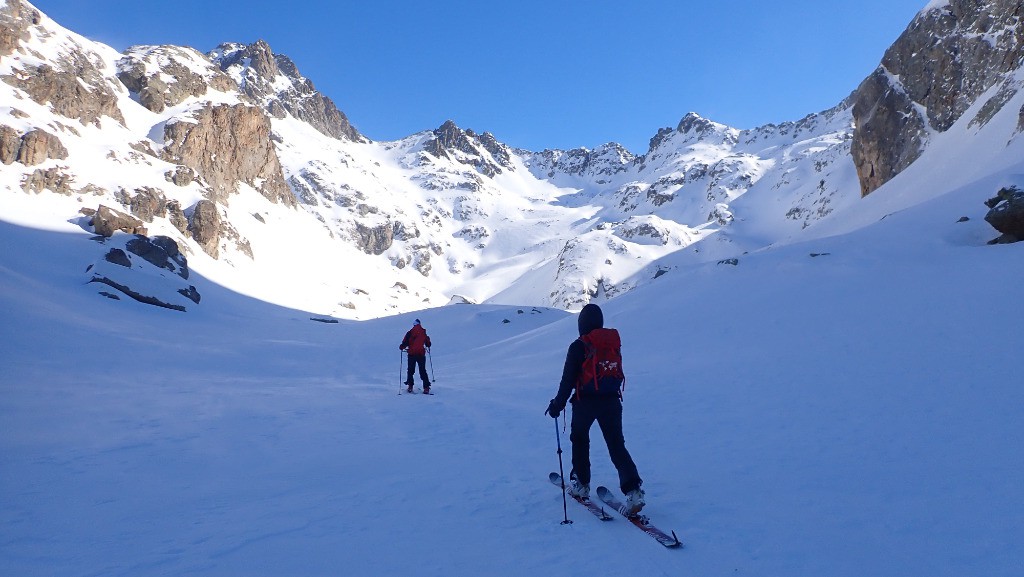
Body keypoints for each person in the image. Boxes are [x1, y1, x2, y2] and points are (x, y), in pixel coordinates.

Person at [545, 303, 645, 514]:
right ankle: (634, 490)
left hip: (585, 402)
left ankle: (581, 484)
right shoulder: (611, 343)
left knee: (580, 440)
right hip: (612, 401)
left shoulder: (579, 346)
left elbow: (567, 381)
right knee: (616, 445)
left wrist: (556, 405)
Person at [399, 319, 431, 393]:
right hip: (421, 354)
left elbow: (405, 342)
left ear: (414, 325)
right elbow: (428, 343)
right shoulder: (423, 332)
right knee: (423, 370)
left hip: (412, 354)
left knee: (410, 370)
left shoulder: (410, 332)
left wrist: (402, 346)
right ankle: (426, 387)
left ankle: (410, 386)